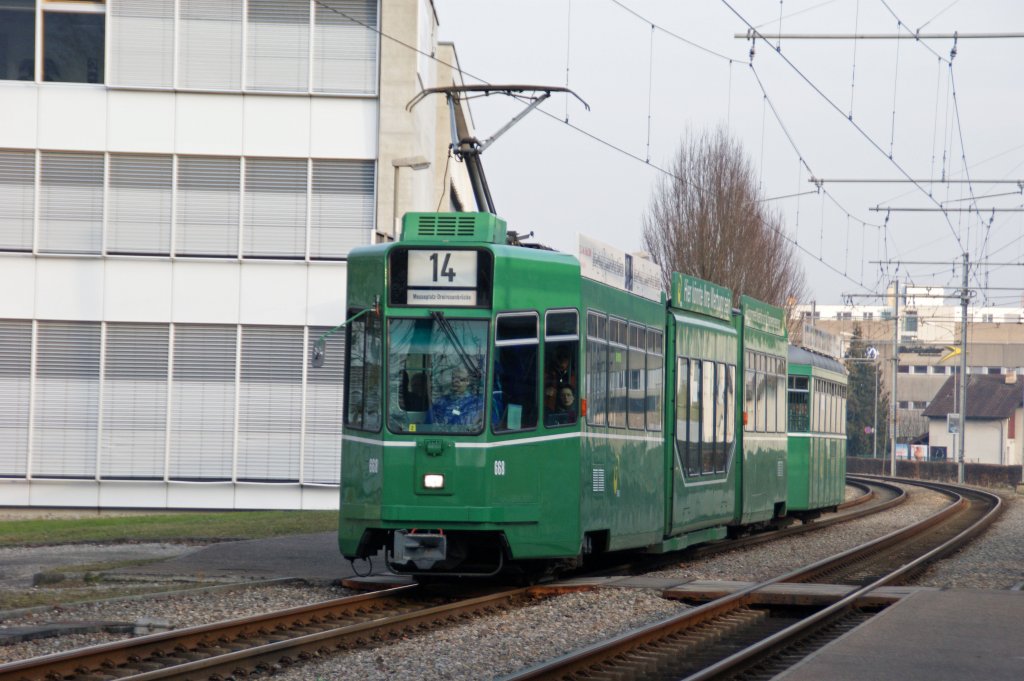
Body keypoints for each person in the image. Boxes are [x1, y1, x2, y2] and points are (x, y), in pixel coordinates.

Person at [544, 346, 575, 411]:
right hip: (550, 409)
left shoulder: (573, 375)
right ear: (554, 358)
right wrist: (545, 391)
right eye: (559, 357)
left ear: (569, 359)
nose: (562, 359)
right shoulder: (547, 373)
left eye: (565, 356)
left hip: (569, 411)